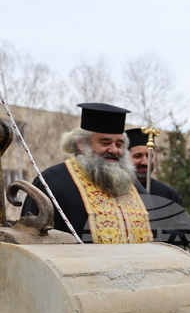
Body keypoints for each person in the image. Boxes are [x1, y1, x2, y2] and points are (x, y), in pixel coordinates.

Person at [21, 103, 152, 244]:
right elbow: (32, 239)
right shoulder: (51, 182)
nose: (114, 150)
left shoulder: (133, 186)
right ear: (81, 144)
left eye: (119, 144)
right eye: (105, 142)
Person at [125, 127, 182, 206]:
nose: (145, 162)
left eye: (149, 156)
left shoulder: (169, 195)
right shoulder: (116, 191)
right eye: (138, 156)